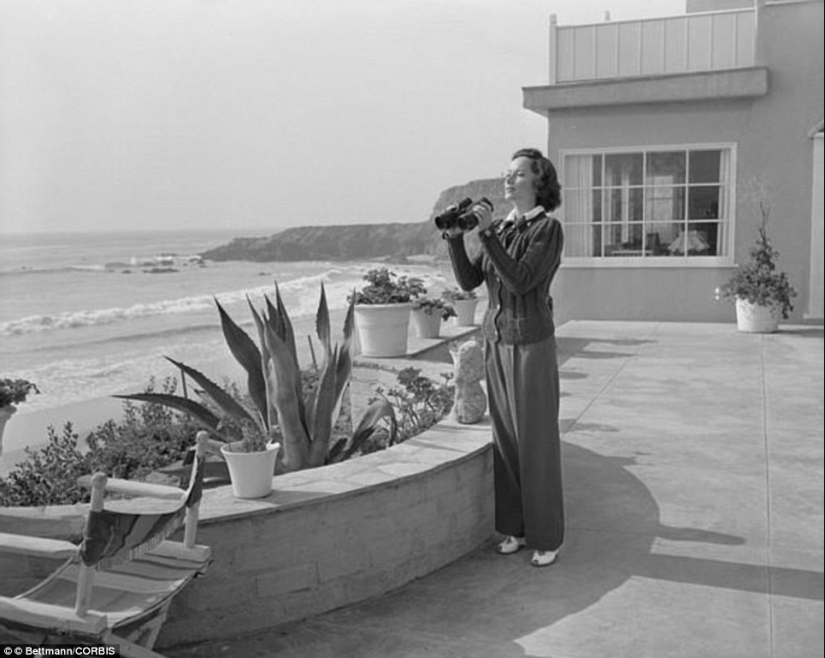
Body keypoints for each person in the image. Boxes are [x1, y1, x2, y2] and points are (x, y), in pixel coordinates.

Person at [443, 147, 564, 567]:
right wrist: (457, 239)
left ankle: (547, 536)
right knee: (506, 440)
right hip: (496, 341)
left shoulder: (546, 230)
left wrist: (489, 232)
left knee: (538, 442)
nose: (508, 180)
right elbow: (470, 280)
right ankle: (514, 528)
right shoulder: (507, 228)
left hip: (531, 344)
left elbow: (520, 281)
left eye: (517, 175)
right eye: (506, 174)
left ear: (538, 182)